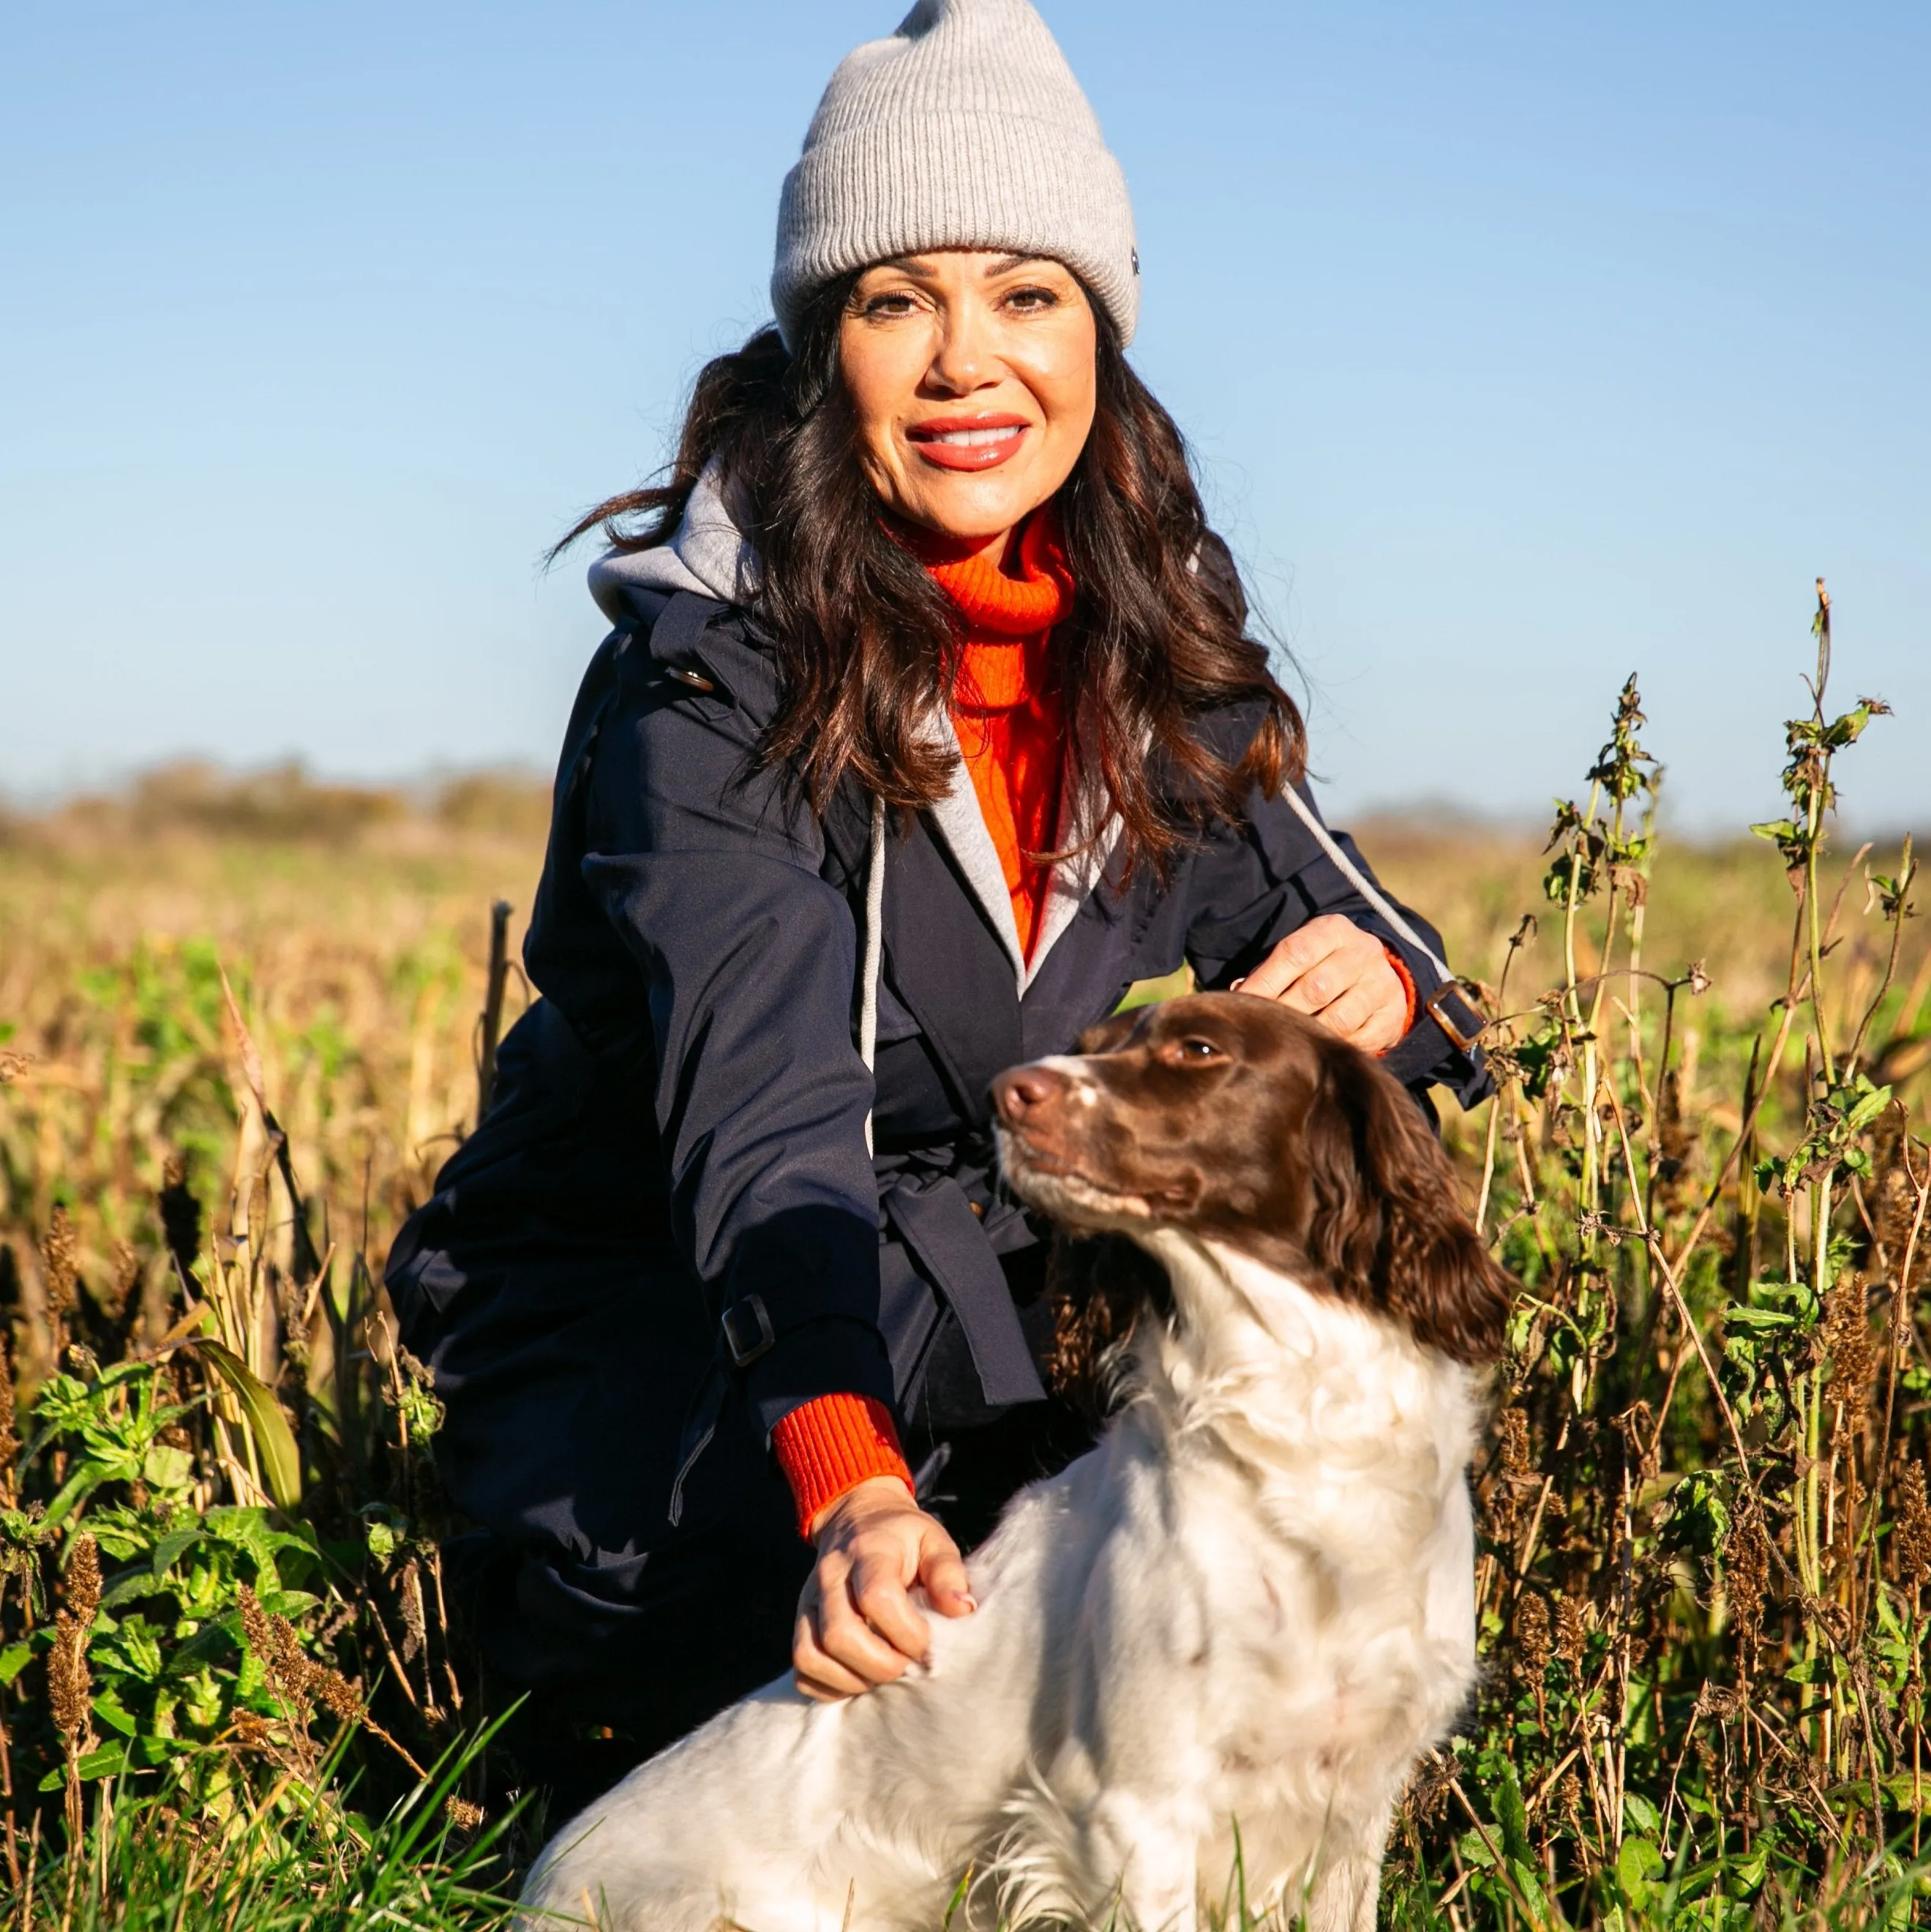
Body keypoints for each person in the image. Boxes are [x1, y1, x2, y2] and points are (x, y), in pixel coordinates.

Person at [385, 0, 1486, 1818]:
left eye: (1026, 294)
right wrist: (844, 1474)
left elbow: (1403, 960)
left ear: (1100, 333)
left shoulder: (1160, 650)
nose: (968, 362)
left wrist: (1384, 984)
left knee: (1062, 1659)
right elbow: (765, 1128)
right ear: (823, 348)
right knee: (744, 1676)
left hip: (971, 1296)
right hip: (682, 1299)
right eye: (897, 301)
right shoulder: (710, 678)